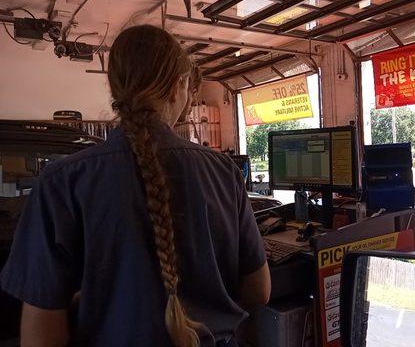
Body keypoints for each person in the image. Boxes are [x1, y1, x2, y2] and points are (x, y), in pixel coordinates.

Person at [0, 25, 270, 346]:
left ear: (115, 88)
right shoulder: (223, 172)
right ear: (178, 86)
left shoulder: (62, 181)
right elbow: (259, 290)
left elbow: (41, 329)